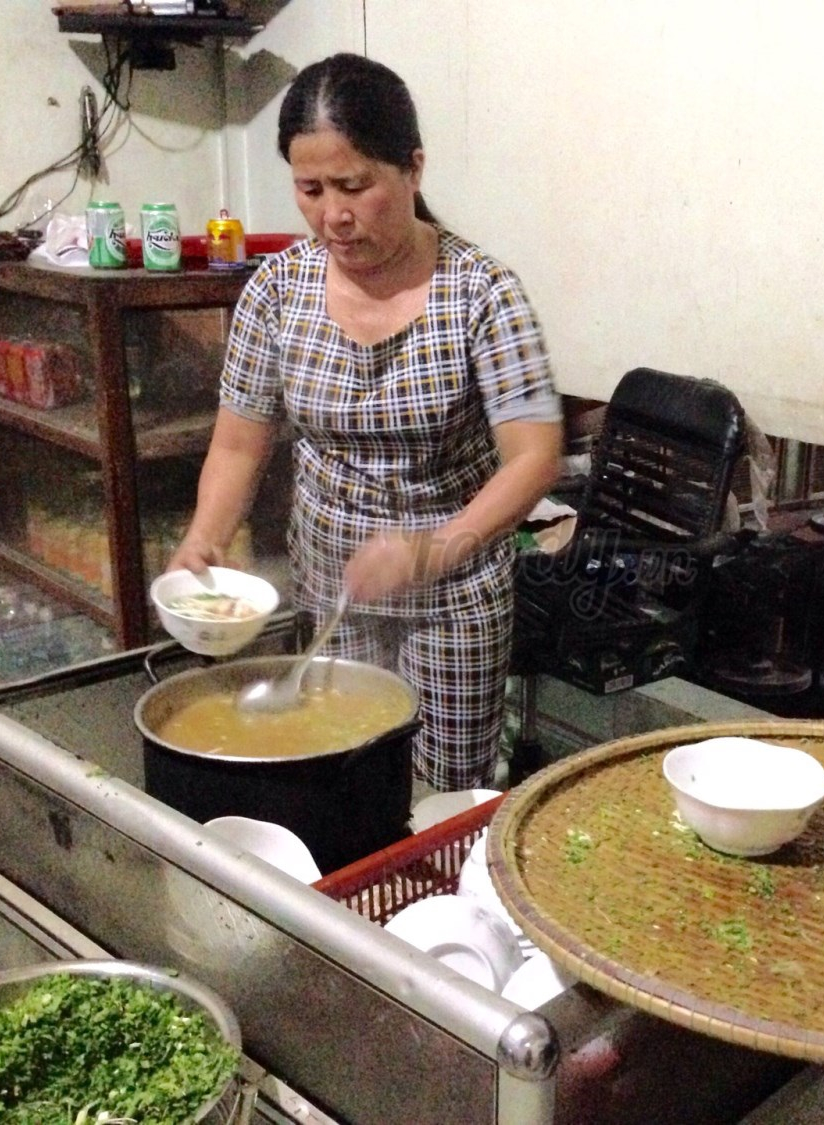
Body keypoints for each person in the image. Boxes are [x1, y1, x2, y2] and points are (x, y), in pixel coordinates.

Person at [169, 53, 563, 792]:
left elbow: (534, 456)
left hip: (453, 592)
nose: (333, 216)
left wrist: (432, 549)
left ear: (413, 169)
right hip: (331, 587)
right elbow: (239, 442)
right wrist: (205, 538)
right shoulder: (277, 291)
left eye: (354, 186)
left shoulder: (480, 292)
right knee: (343, 771)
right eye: (310, 190)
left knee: (444, 794)